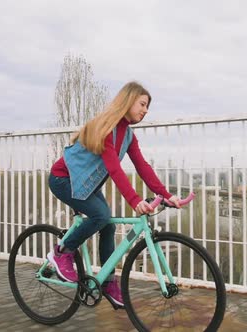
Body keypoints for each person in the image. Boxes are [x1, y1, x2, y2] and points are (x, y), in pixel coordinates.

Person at [47, 81, 181, 306]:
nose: (145, 110)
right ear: (128, 101)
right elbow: (114, 168)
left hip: (84, 185)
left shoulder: (128, 135)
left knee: (107, 223)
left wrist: (166, 194)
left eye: (147, 106)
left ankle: (108, 282)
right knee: (101, 215)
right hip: (63, 179)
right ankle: (62, 252)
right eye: (142, 104)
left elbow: (142, 166)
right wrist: (134, 200)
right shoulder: (107, 127)